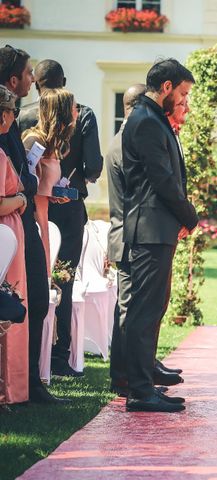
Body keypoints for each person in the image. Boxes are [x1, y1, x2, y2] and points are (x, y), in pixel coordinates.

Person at [121, 59, 198, 412]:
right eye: (182, 92)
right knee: (144, 311)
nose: (184, 100)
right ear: (166, 87)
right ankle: (139, 390)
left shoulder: (151, 118)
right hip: (150, 228)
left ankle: (144, 383)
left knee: (151, 309)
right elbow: (162, 179)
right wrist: (189, 215)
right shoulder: (147, 120)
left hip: (156, 227)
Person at [19, 60, 103, 377]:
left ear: (37, 84)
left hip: (32, 208)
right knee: (63, 278)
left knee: (32, 279)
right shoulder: (82, 113)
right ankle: (59, 352)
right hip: (66, 209)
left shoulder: (22, 114)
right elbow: (94, 167)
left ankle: (32, 350)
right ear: (64, 81)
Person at [0, 45, 65, 403]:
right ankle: (19, 386)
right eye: (27, 74)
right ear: (14, 79)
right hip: (12, 220)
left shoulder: (11, 118)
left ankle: (30, 383)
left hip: (22, 216)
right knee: (21, 302)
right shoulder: (9, 119)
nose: (32, 79)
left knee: (35, 300)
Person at [22, 88, 77, 274]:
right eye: (73, 107)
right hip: (31, 222)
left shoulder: (55, 144)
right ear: (61, 111)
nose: (76, 112)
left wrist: (56, 193)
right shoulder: (34, 140)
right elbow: (22, 182)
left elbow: (42, 184)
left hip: (44, 221)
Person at [0, 85, 29, 405]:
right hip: (5, 237)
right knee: (10, 302)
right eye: (10, 112)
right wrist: (21, 198)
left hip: (10, 233)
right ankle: (10, 388)